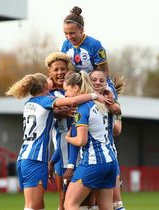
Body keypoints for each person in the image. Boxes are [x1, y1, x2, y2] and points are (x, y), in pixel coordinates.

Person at [5, 72, 107, 210]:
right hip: (35, 158)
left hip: (24, 158)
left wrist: (63, 111)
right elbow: (73, 101)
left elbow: (50, 112)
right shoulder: (44, 100)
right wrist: (95, 95)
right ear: (46, 86)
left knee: (39, 206)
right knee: (32, 207)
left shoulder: (29, 103)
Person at [63, 71, 118, 210]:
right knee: (106, 207)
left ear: (76, 88)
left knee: (70, 204)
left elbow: (81, 140)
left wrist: (68, 138)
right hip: (111, 162)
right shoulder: (101, 104)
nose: (65, 95)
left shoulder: (82, 108)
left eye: (66, 90)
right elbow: (117, 114)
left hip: (94, 161)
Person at [45, 52, 79, 210]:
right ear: (49, 73)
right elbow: (44, 113)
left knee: (86, 198)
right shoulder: (47, 94)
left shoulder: (77, 89)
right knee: (63, 199)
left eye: (63, 69)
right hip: (61, 151)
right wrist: (61, 111)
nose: (60, 73)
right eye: (56, 70)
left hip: (82, 149)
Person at [61, 6, 118, 99]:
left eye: (72, 33)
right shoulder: (66, 45)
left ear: (82, 30)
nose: (69, 37)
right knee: (68, 75)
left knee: (114, 107)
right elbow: (62, 68)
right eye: (65, 33)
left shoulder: (95, 45)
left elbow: (104, 72)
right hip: (81, 82)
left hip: (97, 82)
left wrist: (97, 91)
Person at [90, 69, 126, 210]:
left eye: (102, 80)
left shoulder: (111, 103)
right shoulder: (85, 98)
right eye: (94, 80)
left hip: (106, 153)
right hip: (91, 154)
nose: (98, 83)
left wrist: (110, 109)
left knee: (114, 202)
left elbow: (117, 130)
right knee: (95, 202)